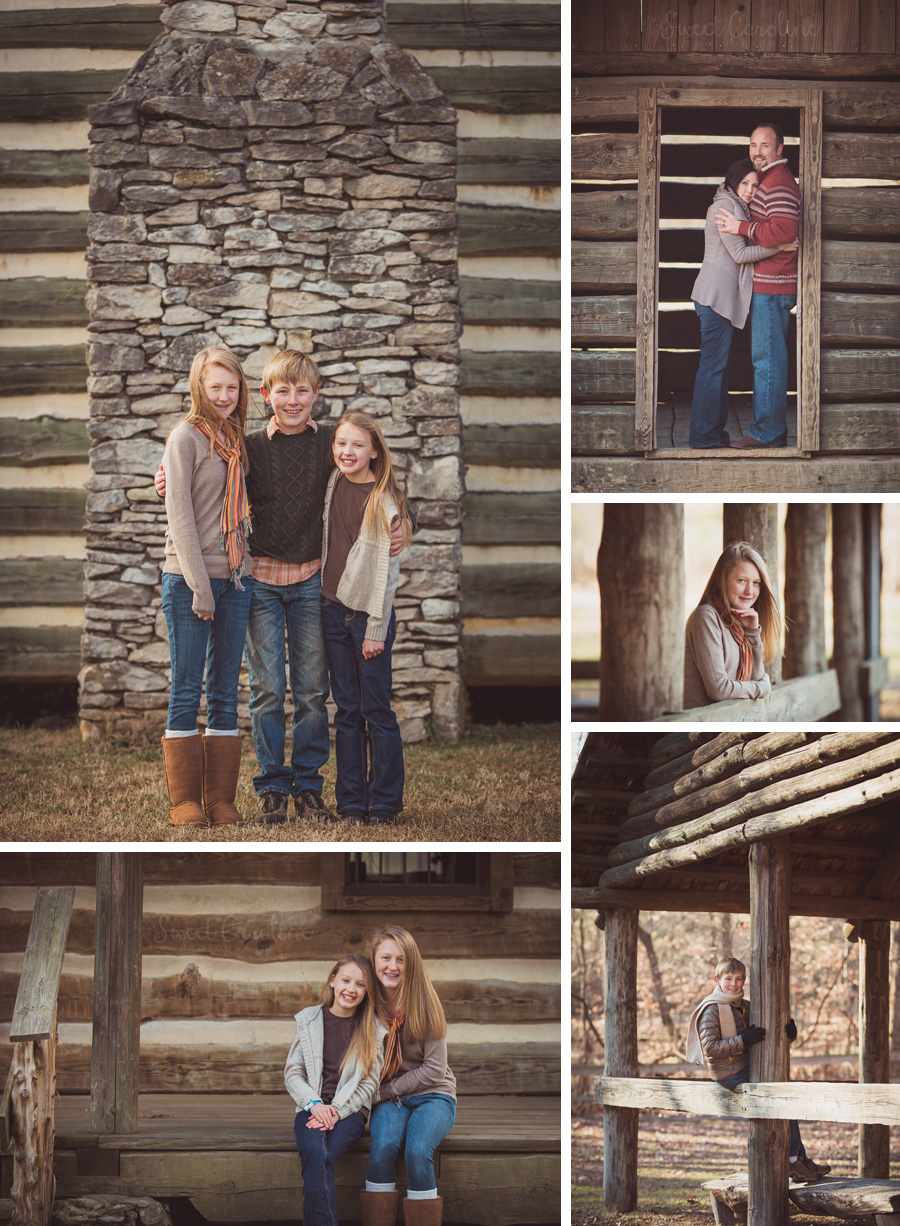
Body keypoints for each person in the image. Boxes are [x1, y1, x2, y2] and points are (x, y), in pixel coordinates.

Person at [160, 345, 253, 827]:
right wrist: (200, 587)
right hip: (189, 580)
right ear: (200, 387)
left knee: (223, 688)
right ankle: (185, 803)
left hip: (237, 579)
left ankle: (220, 800)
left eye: (231, 387)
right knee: (187, 684)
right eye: (214, 386)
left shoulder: (238, 439)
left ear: (241, 390)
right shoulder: (185, 438)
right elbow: (180, 518)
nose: (223, 395)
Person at [320, 412, 410, 826]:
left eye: (357, 445)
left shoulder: (383, 500)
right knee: (347, 710)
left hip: (368, 619)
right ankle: (351, 803)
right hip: (331, 610)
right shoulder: (333, 481)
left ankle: (386, 803)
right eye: (341, 443)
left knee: (376, 709)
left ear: (374, 450)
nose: (347, 451)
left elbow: (386, 576)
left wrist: (375, 629)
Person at [686, 956, 831, 1184]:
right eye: (729, 979)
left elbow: (766, 1037)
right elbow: (711, 1048)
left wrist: (789, 1034)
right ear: (717, 979)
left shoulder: (746, 1006)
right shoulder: (712, 1009)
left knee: (785, 1093)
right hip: (729, 1073)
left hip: (747, 1066)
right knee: (782, 1095)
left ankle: (799, 1159)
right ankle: (794, 1161)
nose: (734, 984)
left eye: (739, 979)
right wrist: (743, 1040)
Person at [689, 159, 797, 449]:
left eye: (755, 185)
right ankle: (703, 436)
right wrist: (779, 246)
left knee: (717, 367)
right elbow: (739, 254)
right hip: (714, 298)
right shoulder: (726, 207)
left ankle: (712, 433)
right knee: (712, 367)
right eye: (745, 183)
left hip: (719, 298)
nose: (750, 190)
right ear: (733, 182)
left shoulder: (737, 206)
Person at [362, 925, 456, 1226]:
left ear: (411, 963)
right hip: (389, 1099)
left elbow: (434, 1069)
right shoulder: (366, 1003)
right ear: (374, 960)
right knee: (383, 1147)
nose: (393, 966)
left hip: (433, 1095)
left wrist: (383, 1093)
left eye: (401, 959)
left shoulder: (425, 1001)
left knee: (417, 1150)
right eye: (386, 958)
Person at [715, 123, 801, 449]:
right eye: (753, 145)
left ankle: (766, 433)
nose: (757, 151)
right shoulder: (768, 181)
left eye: (765, 145)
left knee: (768, 361)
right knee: (768, 358)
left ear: (780, 149)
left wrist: (741, 226)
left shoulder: (778, 182)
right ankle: (772, 430)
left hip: (773, 285)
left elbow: (784, 230)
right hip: (769, 283)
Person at [285, 955, 386, 1226]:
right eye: (345, 980)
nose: (351, 989)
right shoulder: (309, 1020)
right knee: (317, 1155)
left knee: (321, 1157)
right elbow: (293, 1073)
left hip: (350, 1112)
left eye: (360, 985)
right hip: (312, 1108)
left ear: (367, 992)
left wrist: (336, 1111)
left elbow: (369, 1083)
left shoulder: (372, 1029)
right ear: (332, 980)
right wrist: (315, 1105)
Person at [684, 541, 783, 709]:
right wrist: (763, 688)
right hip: (698, 730)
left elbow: (755, 678)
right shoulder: (706, 617)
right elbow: (719, 689)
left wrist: (752, 633)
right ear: (720, 580)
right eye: (742, 580)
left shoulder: (738, 623)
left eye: (756, 583)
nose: (750, 591)